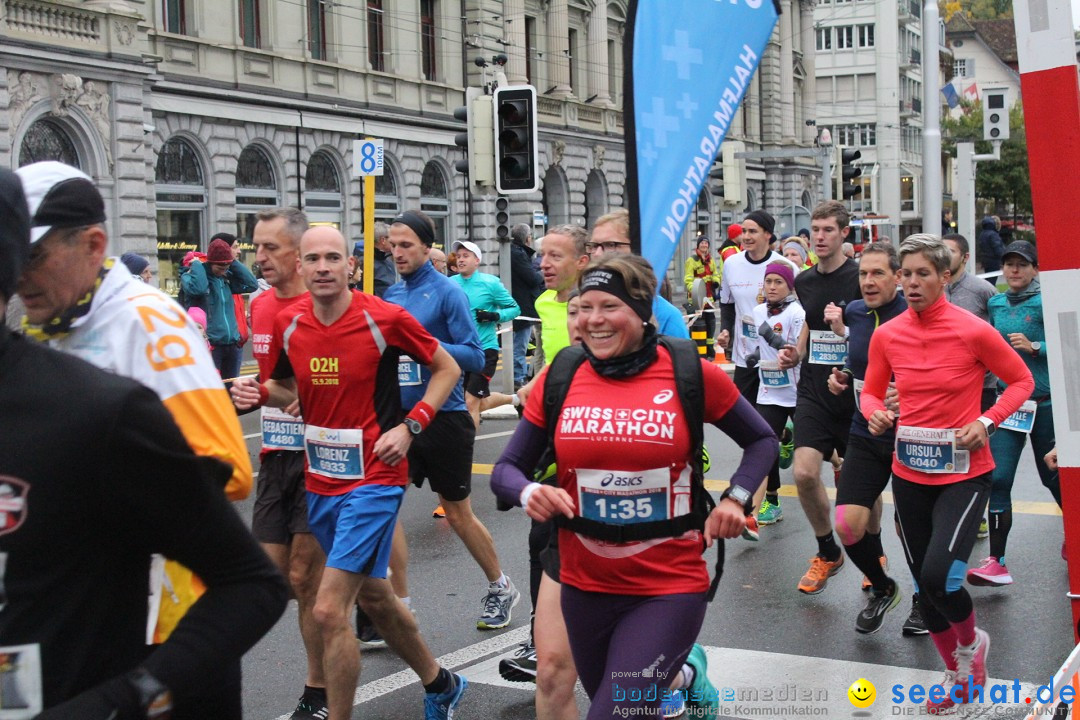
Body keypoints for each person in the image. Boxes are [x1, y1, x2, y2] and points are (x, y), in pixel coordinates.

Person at [0, 166, 287, 719]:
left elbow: (229, 468)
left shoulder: (149, 322)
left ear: (94, 244)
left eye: (34, 258)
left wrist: (93, 495)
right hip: (74, 625)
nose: (20, 276)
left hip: (172, 624)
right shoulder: (43, 321)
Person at [492, 254, 778, 720]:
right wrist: (528, 492)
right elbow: (505, 471)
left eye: (609, 307)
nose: (593, 321)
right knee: (627, 706)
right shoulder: (562, 374)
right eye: (584, 307)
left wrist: (736, 497)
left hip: (667, 586)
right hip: (584, 586)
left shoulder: (689, 371)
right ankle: (683, 678)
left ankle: (677, 676)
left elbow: (762, 439)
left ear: (644, 312)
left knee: (614, 714)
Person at [231, 224, 468, 720]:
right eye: (313, 259)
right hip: (321, 480)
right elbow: (281, 388)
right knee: (377, 599)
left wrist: (410, 427)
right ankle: (440, 682)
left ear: (350, 267)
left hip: (375, 480)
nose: (322, 268)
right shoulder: (293, 322)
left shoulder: (385, 318)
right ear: (302, 267)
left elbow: (447, 368)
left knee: (326, 608)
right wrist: (259, 394)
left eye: (332, 259)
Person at [861, 234, 1033, 714]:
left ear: (944, 277)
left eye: (923, 274)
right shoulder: (888, 334)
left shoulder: (972, 329)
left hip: (964, 474)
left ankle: (971, 644)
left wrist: (985, 421)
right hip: (909, 472)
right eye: (907, 275)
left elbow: (1022, 381)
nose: (912, 283)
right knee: (923, 581)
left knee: (941, 577)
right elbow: (872, 393)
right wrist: (875, 411)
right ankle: (956, 670)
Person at [383, 212, 521, 631]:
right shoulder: (390, 293)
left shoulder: (447, 293)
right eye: (392, 244)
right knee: (383, 509)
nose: (397, 251)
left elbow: (475, 356)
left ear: (428, 247)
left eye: (407, 244)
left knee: (459, 514)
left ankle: (501, 587)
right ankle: (398, 605)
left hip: (444, 418)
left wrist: (427, 345)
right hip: (399, 420)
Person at [243, 207, 332, 719]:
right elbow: (277, 384)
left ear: (299, 255)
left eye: (270, 248)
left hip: (323, 458)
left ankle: (317, 690)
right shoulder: (258, 307)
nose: (260, 257)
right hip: (277, 455)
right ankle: (431, 670)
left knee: (305, 579)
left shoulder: (322, 306)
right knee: (272, 580)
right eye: (256, 247)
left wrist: (310, 396)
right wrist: (252, 391)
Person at [775, 201, 862, 595]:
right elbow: (810, 324)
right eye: (816, 229)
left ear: (845, 233)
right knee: (805, 472)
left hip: (856, 390)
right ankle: (828, 550)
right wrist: (796, 350)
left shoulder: (862, 278)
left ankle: (871, 554)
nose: (821, 237)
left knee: (862, 486)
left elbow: (873, 334)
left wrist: (845, 333)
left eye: (829, 229)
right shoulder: (805, 281)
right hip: (813, 388)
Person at [824, 242, 910, 635]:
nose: (869, 281)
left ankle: (928, 601)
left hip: (912, 436)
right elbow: (859, 359)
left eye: (878, 273)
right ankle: (882, 586)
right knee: (847, 523)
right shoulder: (857, 312)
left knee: (911, 529)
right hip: (865, 429)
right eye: (863, 274)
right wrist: (843, 375)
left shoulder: (914, 315)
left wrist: (905, 392)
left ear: (898, 277)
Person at [967, 241, 1061, 586]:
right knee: (999, 478)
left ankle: (1076, 538)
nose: (1014, 270)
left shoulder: (1046, 301)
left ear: (1035, 268)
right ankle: (996, 561)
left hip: (1046, 404)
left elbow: (1073, 342)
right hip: (1010, 405)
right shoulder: (995, 304)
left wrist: (1037, 346)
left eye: (1021, 264)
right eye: (1009, 264)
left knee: (1053, 478)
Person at [717, 210, 799, 452]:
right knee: (747, 425)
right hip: (747, 357)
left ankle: (772, 485)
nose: (746, 237)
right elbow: (727, 302)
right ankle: (783, 437)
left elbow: (801, 307)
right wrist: (725, 331)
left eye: (753, 231)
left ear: (767, 234)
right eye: (744, 231)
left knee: (769, 426)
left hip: (778, 357)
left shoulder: (785, 266)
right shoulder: (732, 264)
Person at [944, 232, 1000, 541]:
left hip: (983, 384)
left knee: (977, 445)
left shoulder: (983, 290)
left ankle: (978, 511)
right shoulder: (934, 288)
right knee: (953, 444)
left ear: (965, 257)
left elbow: (998, 331)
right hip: (947, 385)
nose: (944, 255)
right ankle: (958, 505)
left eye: (950, 251)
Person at [745, 262, 805, 534]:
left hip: (798, 391)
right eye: (768, 281)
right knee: (761, 447)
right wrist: (754, 357)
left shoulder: (797, 313)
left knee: (817, 450)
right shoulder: (758, 311)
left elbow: (794, 349)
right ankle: (756, 514)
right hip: (769, 391)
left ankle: (838, 463)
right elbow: (761, 347)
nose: (771, 286)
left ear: (790, 286)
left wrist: (771, 338)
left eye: (778, 282)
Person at [587, 208, 691, 340]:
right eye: (594, 246)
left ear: (637, 249)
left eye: (610, 245)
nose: (597, 254)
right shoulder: (578, 306)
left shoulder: (665, 315)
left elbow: (682, 358)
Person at [451, 238, 522, 426]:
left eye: (466, 256)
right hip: (460, 351)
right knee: (474, 404)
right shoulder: (449, 284)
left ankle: (466, 453)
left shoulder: (491, 283)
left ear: (477, 260)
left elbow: (515, 309)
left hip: (484, 350)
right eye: (458, 256)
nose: (461, 260)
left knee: (470, 402)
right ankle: (515, 399)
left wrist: (493, 315)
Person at [179, 234, 259, 379]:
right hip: (212, 346)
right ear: (210, 262)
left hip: (232, 344)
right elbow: (199, 289)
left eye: (226, 267)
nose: (224, 270)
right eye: (220, 267)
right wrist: (197, 265)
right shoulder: (194, 277)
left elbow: (252, 284)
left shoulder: (225, 279)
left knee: (230, 390)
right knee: (213, 390)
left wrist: (232, 262)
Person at [535, 225, 591, 365]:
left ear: (581, 262)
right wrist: (530, 387)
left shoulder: (599, 305)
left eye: (555, 256)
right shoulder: (542, 302)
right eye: (542, 255)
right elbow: (551, 364)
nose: (543, 264)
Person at [510, 223, 544, 389]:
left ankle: (521, 376)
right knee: (521, 345)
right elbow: (531, 278)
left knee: (526, 344)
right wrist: (543, 273)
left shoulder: (512, 252)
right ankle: (519, 377)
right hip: (523, 305)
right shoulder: (518, 254)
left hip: (520, 303)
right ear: (527, 238)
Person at [684, 236, 720, 360]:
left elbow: (715, 273)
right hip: (696, 299)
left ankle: (709, 349)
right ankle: (696, 350)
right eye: (702, 243)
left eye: (706, 243)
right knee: (696, 325)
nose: (704, 245)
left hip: (709, 298)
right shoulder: (692, 260)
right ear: (698, 245)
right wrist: (695, 289)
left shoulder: (711, 260)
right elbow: (688, 279)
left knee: (710, 323)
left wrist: (716, 282)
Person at [352, 221, 397, 297]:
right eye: (392, 238)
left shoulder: (386, 259)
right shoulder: (364, 262)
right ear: (383, 240)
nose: (394, 241)